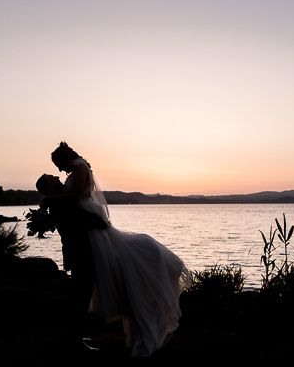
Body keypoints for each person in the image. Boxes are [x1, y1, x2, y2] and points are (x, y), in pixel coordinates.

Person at [48, 141, 191, 358]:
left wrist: (49, 199)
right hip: (85, 227)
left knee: (92, 277)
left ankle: (82, 333)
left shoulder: (78, 167)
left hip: (90, 226)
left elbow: (76, 196)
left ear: (64, 157)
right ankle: (81, 333)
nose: (58, 170)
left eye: (58, 164)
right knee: (88, 279)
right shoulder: (78, 166)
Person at [35, 173, 108, 351]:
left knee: (81, 293)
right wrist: (99, 220)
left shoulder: (59, 200)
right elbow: (79, 220)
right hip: (79, 253)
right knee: (81, 295)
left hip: (78, 252)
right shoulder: (59, 203)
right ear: (49, 186)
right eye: (50, 177)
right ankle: (75, 339)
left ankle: (75, 336)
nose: (55, 175)